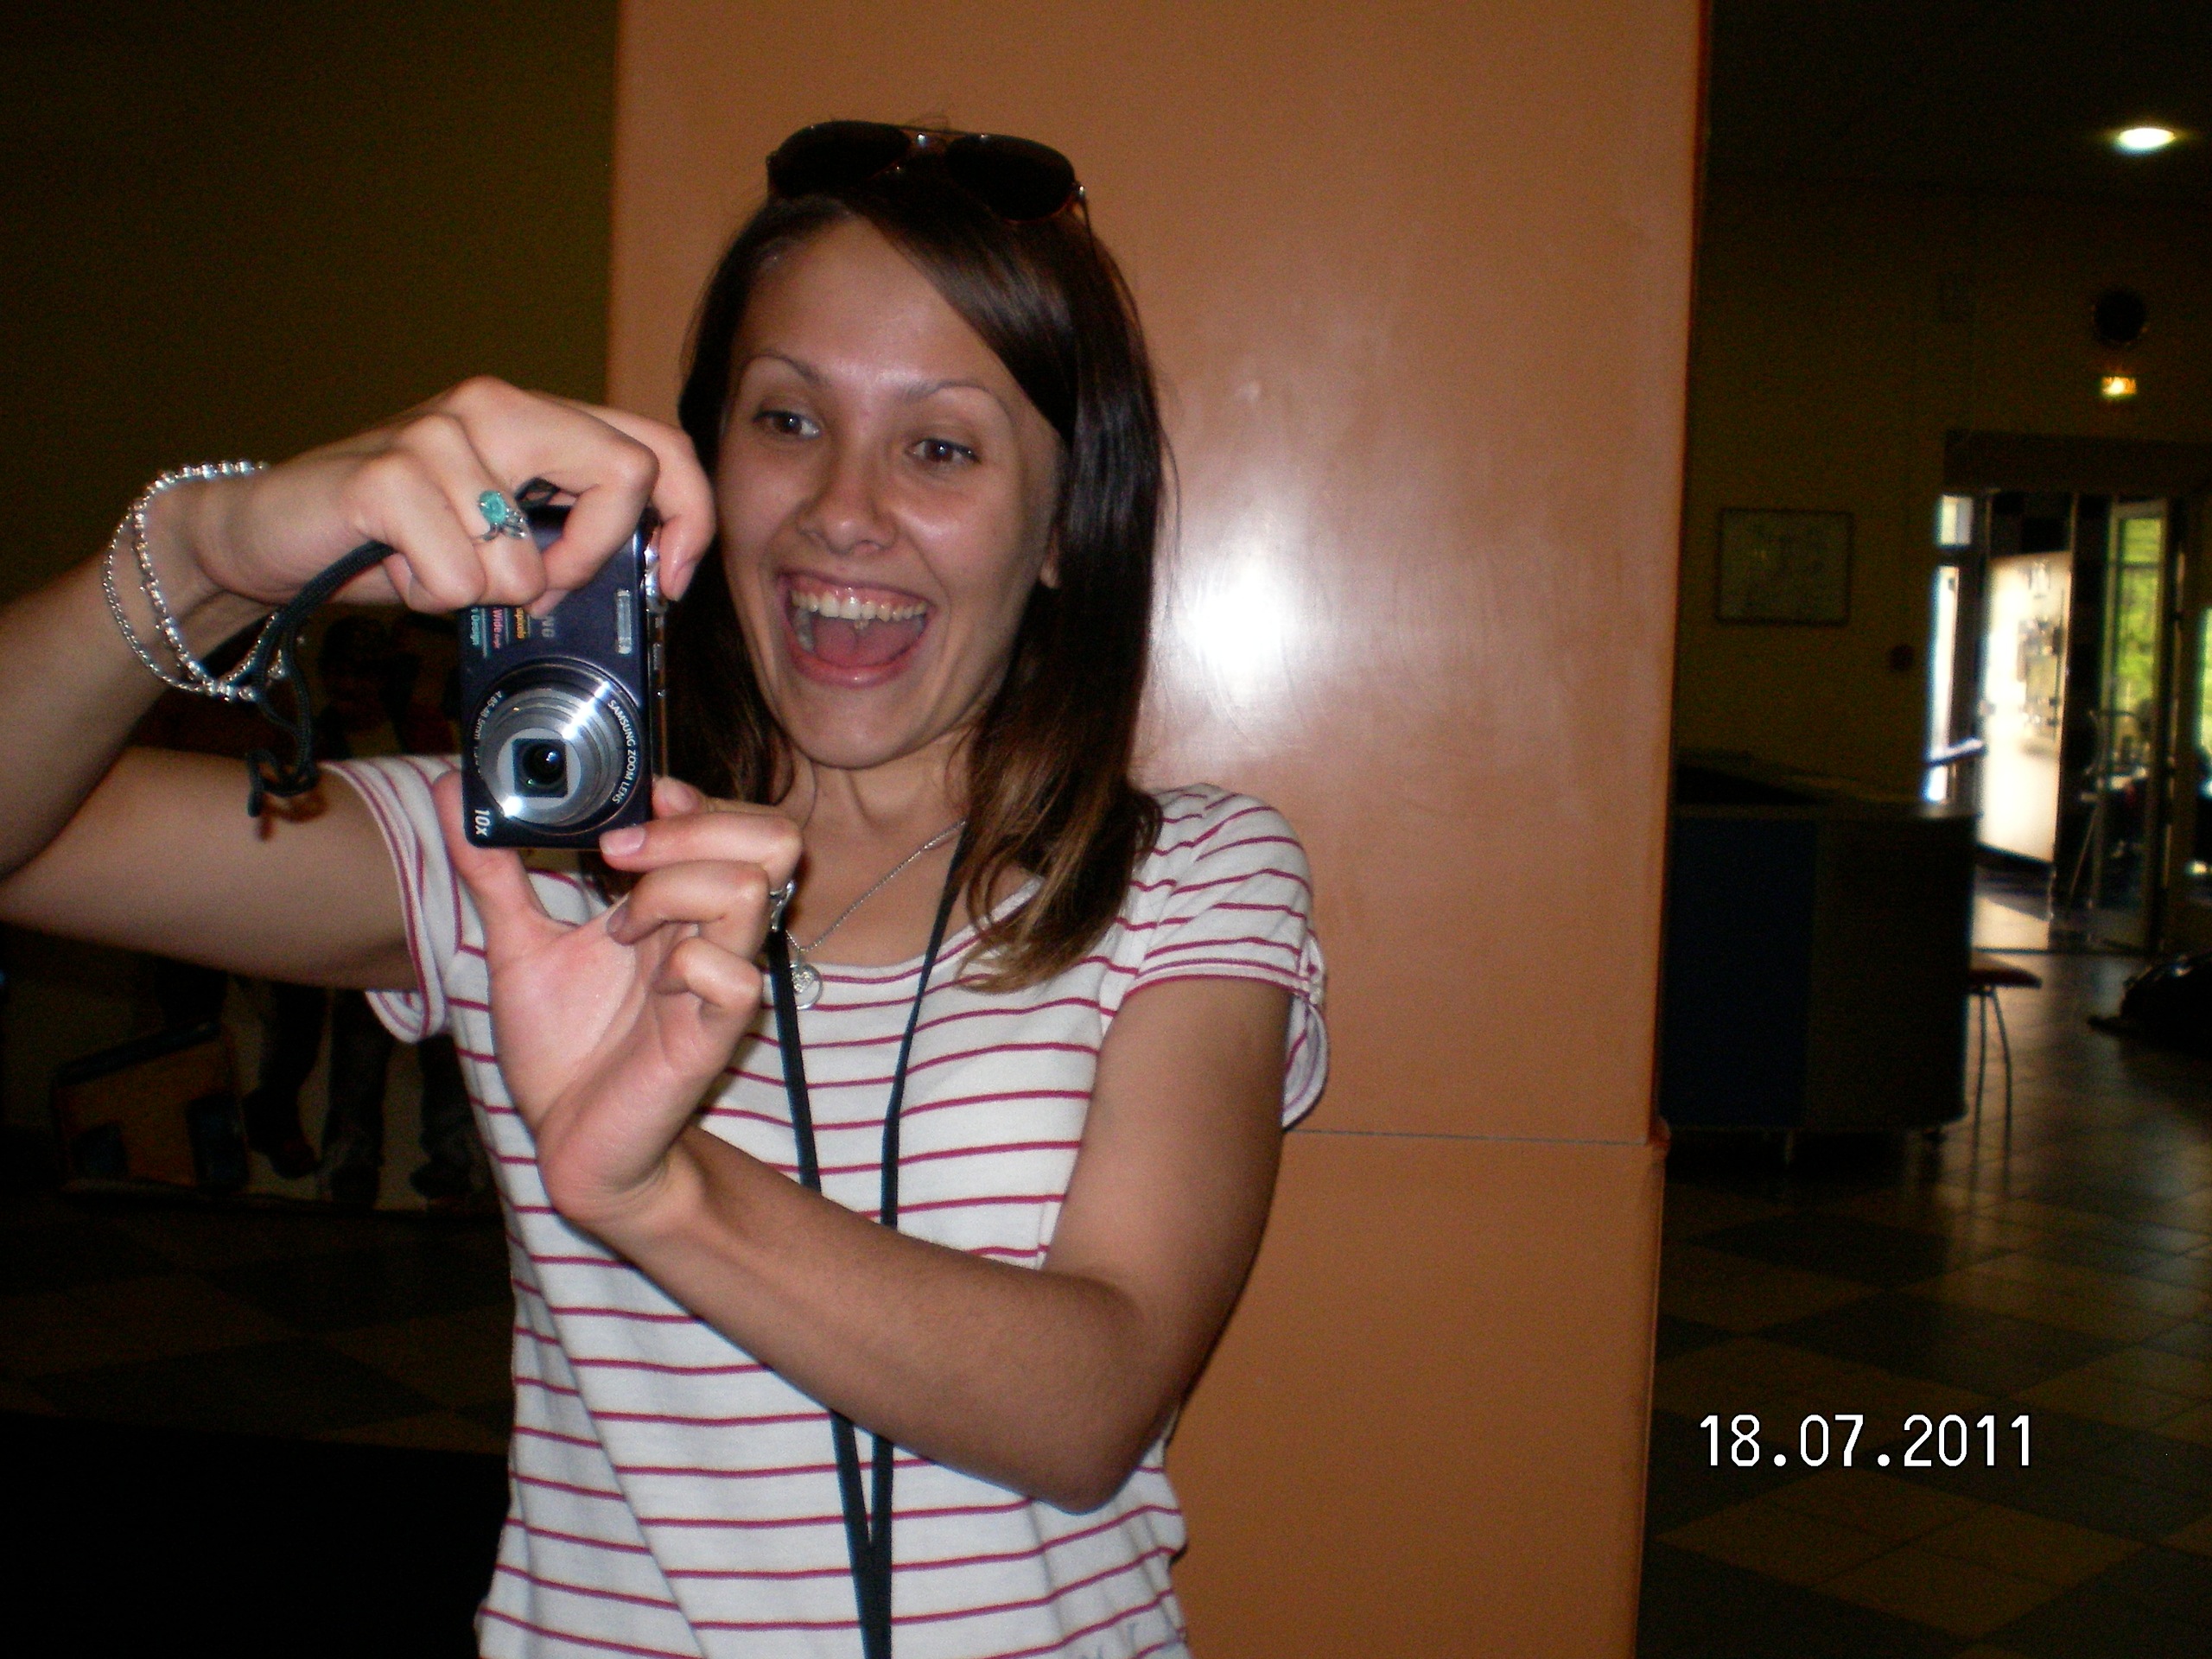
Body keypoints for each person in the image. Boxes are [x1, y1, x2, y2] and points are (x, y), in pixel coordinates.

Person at [0, 122, 1325, 1658]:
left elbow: (1090, 1402)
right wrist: (205, 548)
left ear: (1062, 528)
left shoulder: (1191, 877)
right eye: (787, 420)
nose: (844, 509)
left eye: (942, 448)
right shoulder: (526, 861)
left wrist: (658, 1190)